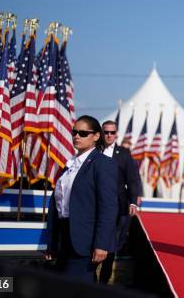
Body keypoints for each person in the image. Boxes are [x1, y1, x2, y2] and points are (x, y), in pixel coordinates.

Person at [46, 115, 118, 282]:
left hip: (84, 241)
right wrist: (52, 241)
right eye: (74, 132)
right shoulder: (70, 165)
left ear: (96, 136)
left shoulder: (103, 163)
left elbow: (108, 206)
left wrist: (102, 244)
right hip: (63, 238)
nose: (77, 136)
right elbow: (59, 203)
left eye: (83, 133)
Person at [98, 120, 143, 284]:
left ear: (116, 134)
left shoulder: (124, 153)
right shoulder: (94, 151)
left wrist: (133, 202)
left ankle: (102, 283)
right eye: (106, 132)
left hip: (117, 207)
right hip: (95, 206)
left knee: (111, 247)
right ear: (101, 133)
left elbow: (132, 180)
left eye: (112, 132)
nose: (109, 135)